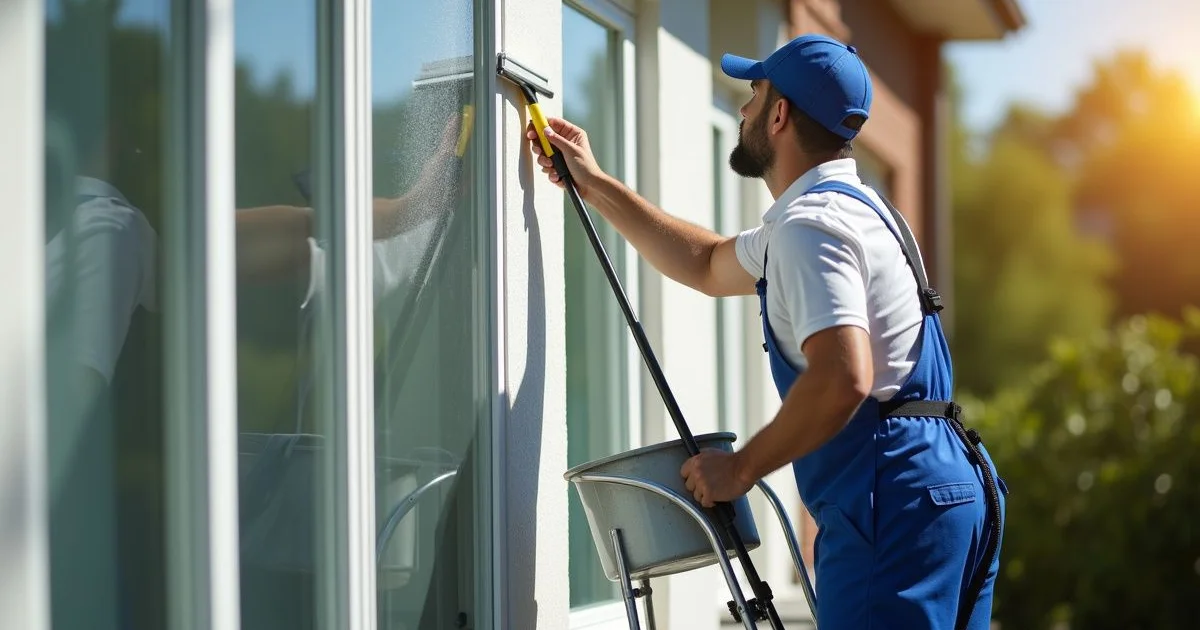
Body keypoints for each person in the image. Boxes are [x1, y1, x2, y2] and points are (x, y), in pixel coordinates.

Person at [528, 33, 1007, 630]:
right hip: (954, 486)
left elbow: (843, 376)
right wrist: (593, 182)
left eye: (754, 93)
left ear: (779, 114)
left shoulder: (811, 228)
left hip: (892, 498)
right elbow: (704, 264)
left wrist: (740, 469)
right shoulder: (861, 212)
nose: (742, 108)